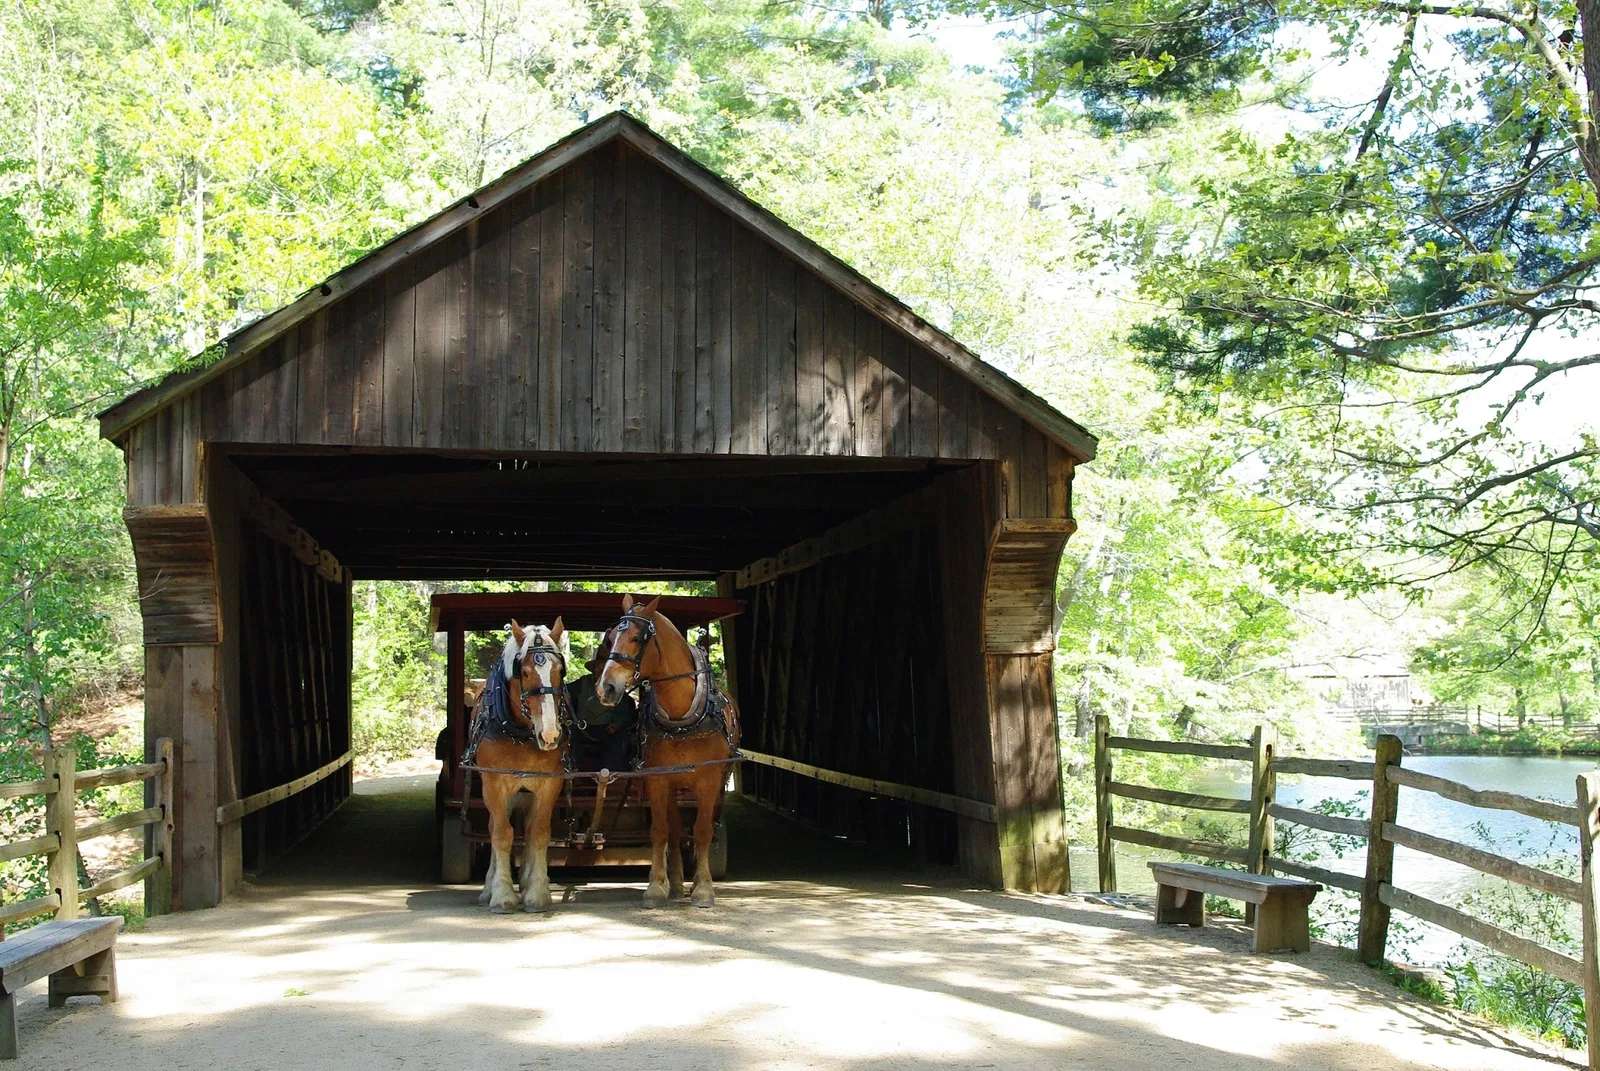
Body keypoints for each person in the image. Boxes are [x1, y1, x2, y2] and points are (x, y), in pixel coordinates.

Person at [567, 645, 636, 772]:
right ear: (594, 668)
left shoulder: (616, 687)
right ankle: (571, 773)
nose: (601, 671)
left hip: (607, 731)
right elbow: (565, 693)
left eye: (605, 667)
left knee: (620, 742)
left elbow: (628, 706)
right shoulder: (581, 684)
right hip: (582, 730)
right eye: (599, 667)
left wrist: (617, 723)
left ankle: (611, 775)